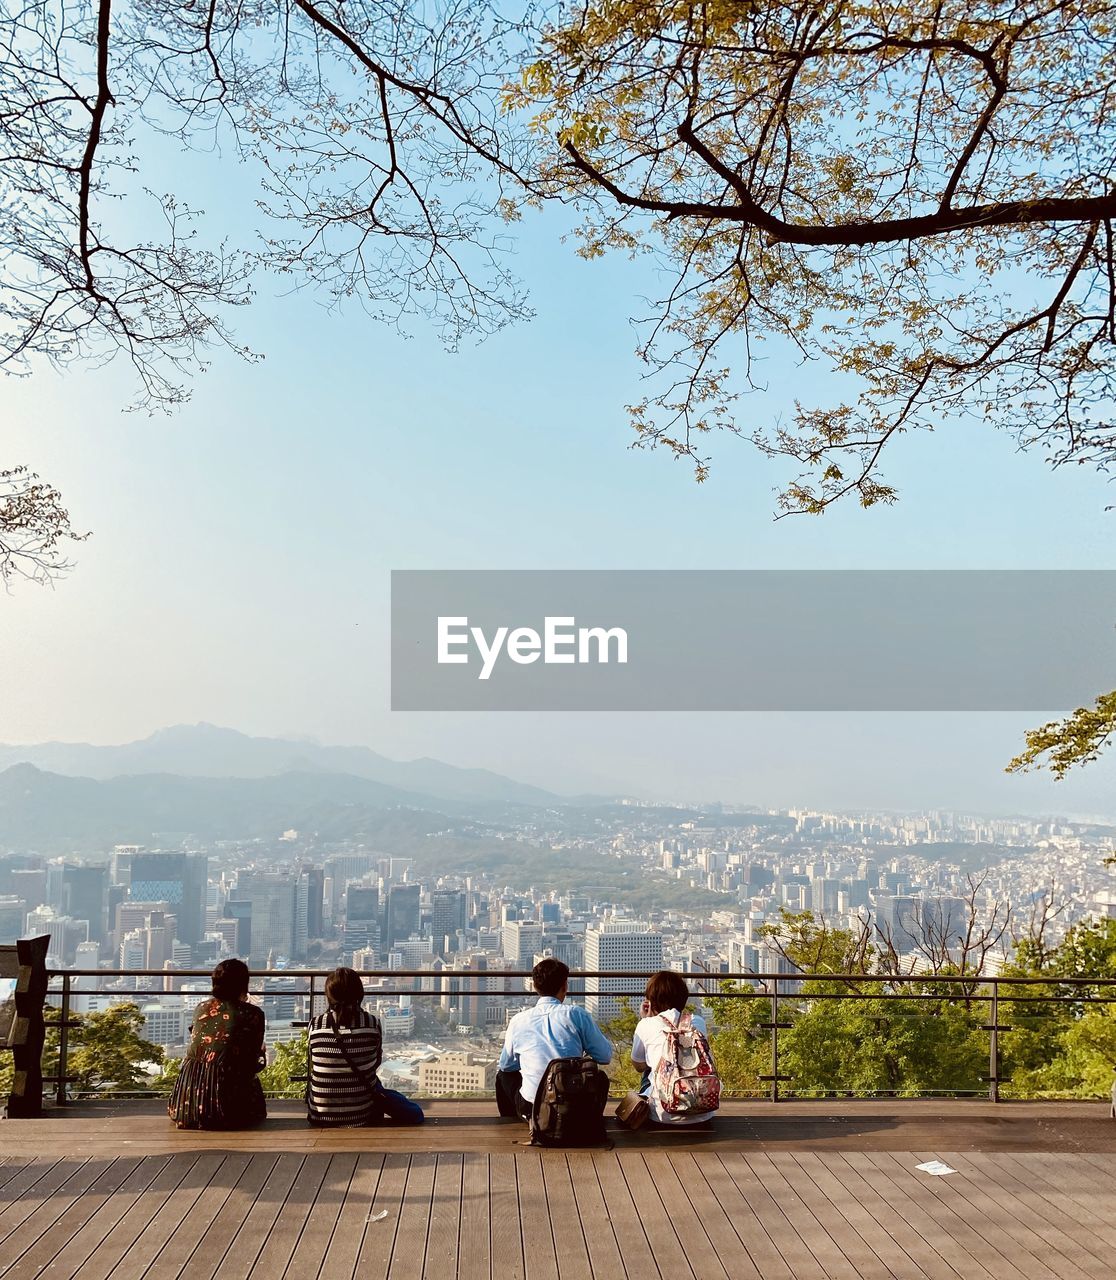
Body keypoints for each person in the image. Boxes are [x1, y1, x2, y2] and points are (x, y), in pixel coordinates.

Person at [496, 957, 612, 1120]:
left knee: (503, 1075)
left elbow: (506, 1066)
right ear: (564, 986)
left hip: (533, 1107)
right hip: (573, 1104)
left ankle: (511, 1122)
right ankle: (587, 1119)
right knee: (600, 1078)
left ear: (535, 987)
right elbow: (605, 1056)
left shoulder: (519, 1020)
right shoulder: (577, 1015)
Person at [307, 967, 424, 1127]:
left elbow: (315, 1063)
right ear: (359, 994)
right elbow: (376, 1062)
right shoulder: (371, 1023)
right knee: (375, 1084)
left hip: (320, 1116)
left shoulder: (315, 1024)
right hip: (362, 1115)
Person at [169, 958, 266, 1130]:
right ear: (243, 984)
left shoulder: (201, 1008)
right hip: (227, 1108)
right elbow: (251, 1064)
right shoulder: (252, 1014)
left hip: (186, 1103)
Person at [631, 970, 719, 1126]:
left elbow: (638, 1065)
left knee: (649, 1069)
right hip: (704, 1112)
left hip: (662, 1115)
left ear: (651, 1001)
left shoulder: (646, 1024)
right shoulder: (697, 1022)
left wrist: (646, 1020)